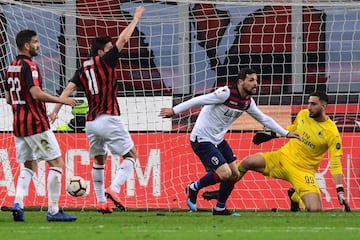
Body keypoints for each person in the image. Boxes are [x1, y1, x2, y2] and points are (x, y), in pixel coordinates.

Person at [159, 67, 300, 215]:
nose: (255, 84)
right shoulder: (225, 94)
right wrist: (174, 110)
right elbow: (199, 100)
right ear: (241, 82)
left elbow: (264, 119)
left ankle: (220, 208)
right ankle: (194, 187)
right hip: (202, 139)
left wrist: (286, 133)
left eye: (256, 80)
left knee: (235, 174)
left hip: (218, 140)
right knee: (225, 173)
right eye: (251, 80)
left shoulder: (247, 102)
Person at [49, 6, 145, 214]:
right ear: (102, 52)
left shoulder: (82, 68)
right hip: (109, 118)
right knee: (131, 156)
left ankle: (101, 201)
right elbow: (123, 40)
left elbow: (68, 89)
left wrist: (56, 109)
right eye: (108, 48)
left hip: (91, 124)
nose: (112, 50)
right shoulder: (107, 61)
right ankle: (114, 187)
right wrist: (135, 19)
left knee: (99, 162)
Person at [4, 29, 78, 222]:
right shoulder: (30, 66)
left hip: (19, 124)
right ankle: (53, 211)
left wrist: (22, 107)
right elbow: (36, 93)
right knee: (57, 164)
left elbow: (8, 98)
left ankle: (18, 203)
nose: (38, 45)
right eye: (36, 42)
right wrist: (62, 99)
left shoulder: (11, 66)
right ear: (27, 45)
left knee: (29, 165)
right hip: (35, 124)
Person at [233, 91, 348, 212]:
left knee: (315, 209)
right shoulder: (303, 114)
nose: (309, 107)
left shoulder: (332, 132)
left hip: (304, 171)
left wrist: (339, 189)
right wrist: (271, 135)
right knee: (247, 162)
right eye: (309, 103)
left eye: (313, 104)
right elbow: (292, 130)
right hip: (282, 158)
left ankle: (295, 197)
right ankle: (224, 190)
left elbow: (335, 162)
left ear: (323, 107)